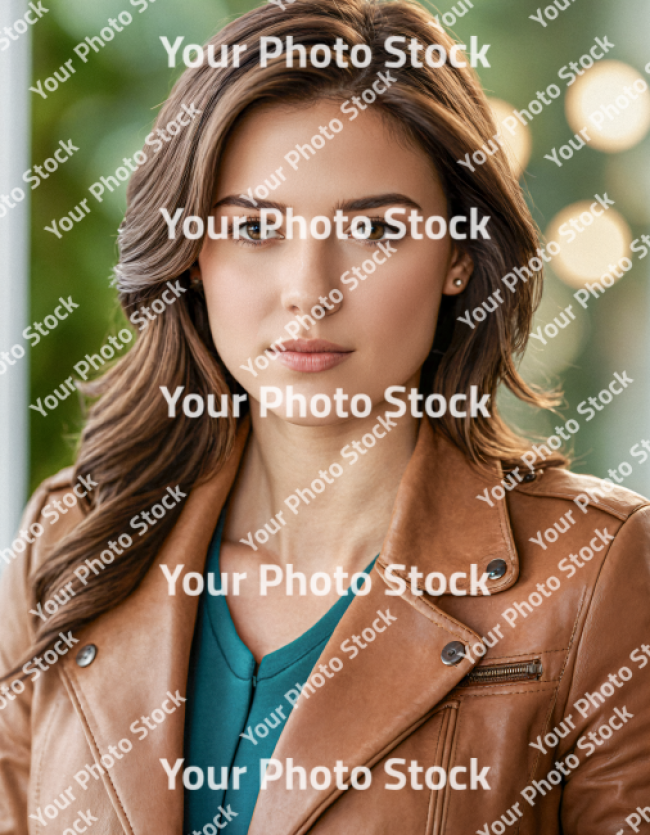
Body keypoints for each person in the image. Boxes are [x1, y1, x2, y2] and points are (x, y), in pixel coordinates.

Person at [1, 0, 649, 833]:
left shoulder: (592, 571)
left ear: (458, 255)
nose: (312, 288)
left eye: (375, 228)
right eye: (256, 228)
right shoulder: (72, 538)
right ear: (192, 256)